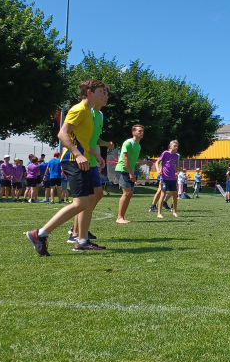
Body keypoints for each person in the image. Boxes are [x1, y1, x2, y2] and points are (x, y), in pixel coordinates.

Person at [25, 79, 108, 256]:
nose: (105, 94)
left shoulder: (88, 112)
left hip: (83, 160)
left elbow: (83, 141)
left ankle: (82, 241)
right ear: (89, 92)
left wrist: (96, 155)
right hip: (72, 160)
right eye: (101, 91)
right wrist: (77, 155)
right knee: (80, 202)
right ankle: (40, 234)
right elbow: (62, 134)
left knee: (88, 200)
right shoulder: (78, 109)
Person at [71, 85, 113, 242]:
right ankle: (76, 232)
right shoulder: (87, 112)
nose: (105, 96)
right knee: (86, 198)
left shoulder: (100, 115)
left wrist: (105, 144)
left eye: (106, 94)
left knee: (96, 195)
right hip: (83, 157)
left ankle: (79, 229)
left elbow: (95, 138)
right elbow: (77, 136)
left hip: (92, 158)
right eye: (102, 93)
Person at [115, 124, 144, 224]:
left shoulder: (138, 146)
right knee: (127, 193)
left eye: (142, 131)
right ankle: (119, 218)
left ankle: (122, 217)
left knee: (130, 194)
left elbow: (135, 160)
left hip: (129, 171)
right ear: (133, 132)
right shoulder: (128, 143)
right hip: (123, 170)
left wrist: (145, 162)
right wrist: (131, 174)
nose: (141, 133)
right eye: (139, 131)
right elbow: (125, 159)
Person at [156, 140, 180, 218]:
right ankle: (159, 213)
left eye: (177, 146)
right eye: (175, 146)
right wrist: (158, 170)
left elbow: (177, 165)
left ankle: (174, 212)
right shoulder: (165, 153)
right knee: (163, 194)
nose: (176, 147)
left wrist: (176, 171)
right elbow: (157, 162)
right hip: (164, 177)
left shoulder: (176, 156)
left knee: (175, 194)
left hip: (173, 178)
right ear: (170, 146)